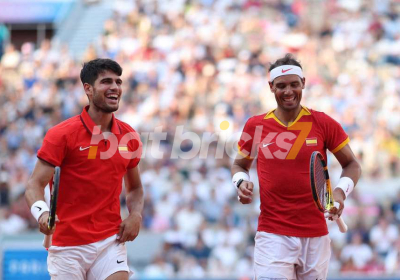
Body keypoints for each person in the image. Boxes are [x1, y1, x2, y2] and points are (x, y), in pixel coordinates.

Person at [231, 53, 362, 280]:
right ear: (271, 87)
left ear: (303, 83)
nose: (288, 91)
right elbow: (239, 165)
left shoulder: (323, 123)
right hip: (273, 235)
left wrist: (340, 193)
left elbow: (352, 165)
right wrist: (240, 182)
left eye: (294, 84)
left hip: (316, 236)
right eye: (281, 86)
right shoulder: (255, 125)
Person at [25, 58, 143, 280]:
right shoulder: (61, 135)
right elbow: (34, 184)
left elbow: (135, 188)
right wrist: (41, 213)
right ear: (88, 89)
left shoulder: (130, 136)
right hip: (67, 246)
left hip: (110, 240)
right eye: (106, 82)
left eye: (118, 82)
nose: (115, 87)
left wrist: (135, 214)